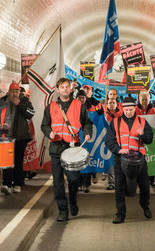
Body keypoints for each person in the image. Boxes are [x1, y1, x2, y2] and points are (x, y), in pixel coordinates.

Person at [41, 78, 93, 222]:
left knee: (74, 179)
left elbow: (87, 122)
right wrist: (49, 132)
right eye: (62, 87)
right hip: (56, 148)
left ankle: (73, 201)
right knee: (57, 182)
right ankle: (62, 210)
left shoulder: (79, 105)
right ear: (57, 90)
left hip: (72, 147)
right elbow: (44, 125)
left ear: (71, 89)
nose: (65, 89)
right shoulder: (50, 107)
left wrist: (87, 132)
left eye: (67, 87)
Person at [105, 97, 154, 224]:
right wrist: (118, 149)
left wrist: (142, 134)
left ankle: (145, 206)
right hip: (120, 159)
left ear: (135, 109)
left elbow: (150, 139)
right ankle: (120, 214)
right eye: (126, 110)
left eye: (131, 110)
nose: (128, 112)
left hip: (139, 159)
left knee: (144, 185)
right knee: (119, 186)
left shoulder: (142, 122)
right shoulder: (115, 122)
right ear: (122, 109)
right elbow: (108, 141)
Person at [0, 82, 35, 194]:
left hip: (20, 136)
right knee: (6, 161)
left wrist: (19, 104)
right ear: (9, 91)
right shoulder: (3, 101)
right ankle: (6, 184)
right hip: (6, 136)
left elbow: (30, 113)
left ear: (19, 92)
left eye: (17, 91)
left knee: (18, 160)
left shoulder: (24, 101)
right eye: (13, 91)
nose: (15, 93)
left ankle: (17, 183)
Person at [135, 91, 155, 187]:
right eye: (143, 99)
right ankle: (139, 179)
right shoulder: (135, 109)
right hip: (139, 138)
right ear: (139, 100)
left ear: (149, 100)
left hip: (150, 138)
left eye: (146, 99)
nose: (144, 101)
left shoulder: (153, 110)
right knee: (139, 159)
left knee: (151, 159)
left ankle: (152, 179)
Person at [75, 90, 95, 193]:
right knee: (78, 162)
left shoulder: (91, 107)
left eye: (83, 98)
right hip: (76, 138)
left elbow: (90, 122)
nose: (81, 99)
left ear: (85, 98)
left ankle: (86, 184)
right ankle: (78, 183)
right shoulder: (73, 108)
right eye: (79, 98)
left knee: (86, 161)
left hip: (87, 137)